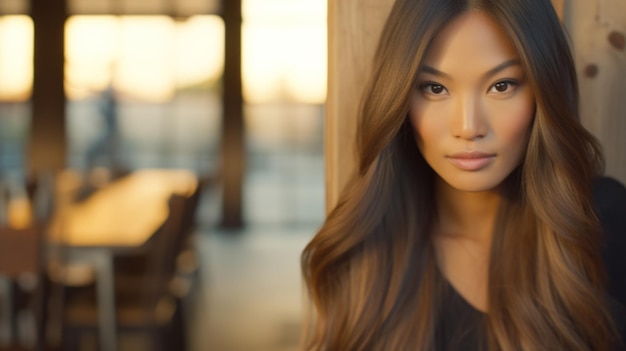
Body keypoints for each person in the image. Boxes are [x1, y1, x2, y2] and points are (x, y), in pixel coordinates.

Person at [300, 0, 626, 350]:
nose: (468, 127)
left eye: (502, 86)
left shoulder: (601, 224)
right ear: (399, 96)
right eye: (435, 88)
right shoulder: (366, 250)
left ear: (545, 89)